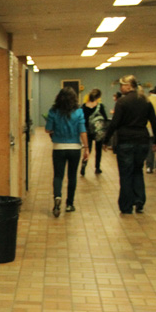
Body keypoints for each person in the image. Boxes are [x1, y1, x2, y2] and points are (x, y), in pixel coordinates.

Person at [103, 75, 156, 215]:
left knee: (126, 174)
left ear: (129, 86)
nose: (121, 88)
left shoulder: (122, 102)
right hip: (142, 140)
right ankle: (139, 200)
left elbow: (115, 123)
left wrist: (105, 140)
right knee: (137, 170)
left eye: (122, 85)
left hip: (126, 141)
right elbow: (154, 122)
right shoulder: (146, 101)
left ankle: (126, 205)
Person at [45, 87, 88, 217]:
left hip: (58, 147)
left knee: (58, 176)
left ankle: (57, 197)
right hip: (74, 148)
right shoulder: (79, 112)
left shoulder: (53, 111)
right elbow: (82, 131)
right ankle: (69, 204)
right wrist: (86, 148)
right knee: (72, 176)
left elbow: (48, 129)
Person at [80, 89, 107, 176]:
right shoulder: (100, 106)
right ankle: (97, 167)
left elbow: (81, 118)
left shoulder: (84, 106)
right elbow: (105, 118)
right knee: (98, 150)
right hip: (98, 131)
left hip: (87, 130)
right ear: (98, 97)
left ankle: (83, 166)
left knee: (88, 149)